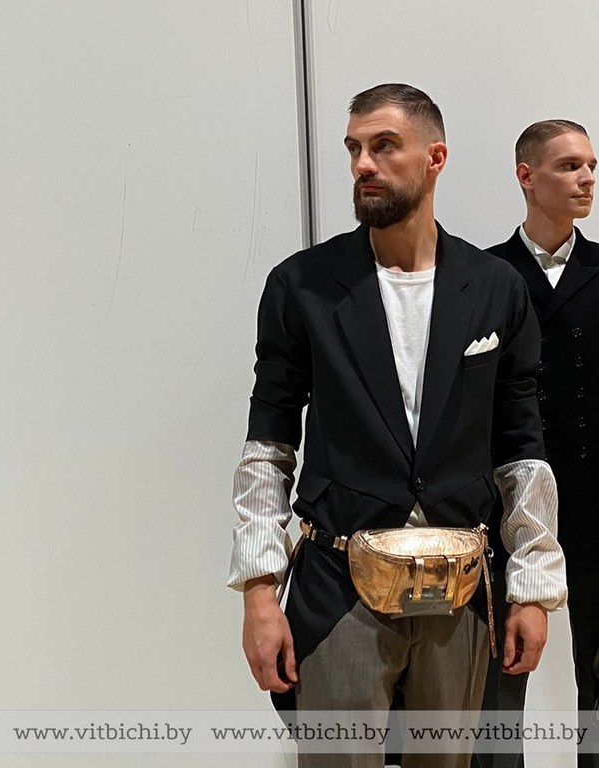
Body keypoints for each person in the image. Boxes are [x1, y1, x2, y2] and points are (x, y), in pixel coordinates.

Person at [226, 84, 567, 768]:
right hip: (339, 586)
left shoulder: (495, 286)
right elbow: (269, 445)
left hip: (459, 594)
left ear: (435, 157)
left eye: (384, 146)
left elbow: (521, 448)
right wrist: (260, 595)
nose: (363, 164)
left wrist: (533, 588)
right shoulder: (303, 286)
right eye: (354, 148)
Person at [476, 120, 599, 768]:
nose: (586, 178)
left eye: (591, 165)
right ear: (526, 176)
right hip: (499, 512)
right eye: (569, 165)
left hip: (597, 509)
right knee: (496, 692)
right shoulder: (481, 277)